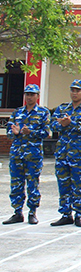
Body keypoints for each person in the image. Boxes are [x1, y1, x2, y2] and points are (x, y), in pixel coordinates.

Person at [49, 80, 81, 228]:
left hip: (79, 154)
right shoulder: (62, 108)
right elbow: (52, 124)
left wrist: (71, 123)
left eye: (78, 90)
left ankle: (78, 214)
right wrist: (61, 124)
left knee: (78, 184)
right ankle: (65, 214)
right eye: (72, 90)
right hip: (63, 153)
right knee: (63, 184)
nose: (75, 93)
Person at [3, 84, 50, 225]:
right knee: (16, 184)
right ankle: (17, 212)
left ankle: (32, 212)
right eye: (27, 94)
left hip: (33, 155)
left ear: (37, 96)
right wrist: (15, 133)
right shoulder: (17, 112)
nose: (29, 97)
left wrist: (31, 132)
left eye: (32, 94)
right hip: (17, 154)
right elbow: (9, 132)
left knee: (32, 184)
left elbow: (46, 133)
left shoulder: (43, 113)